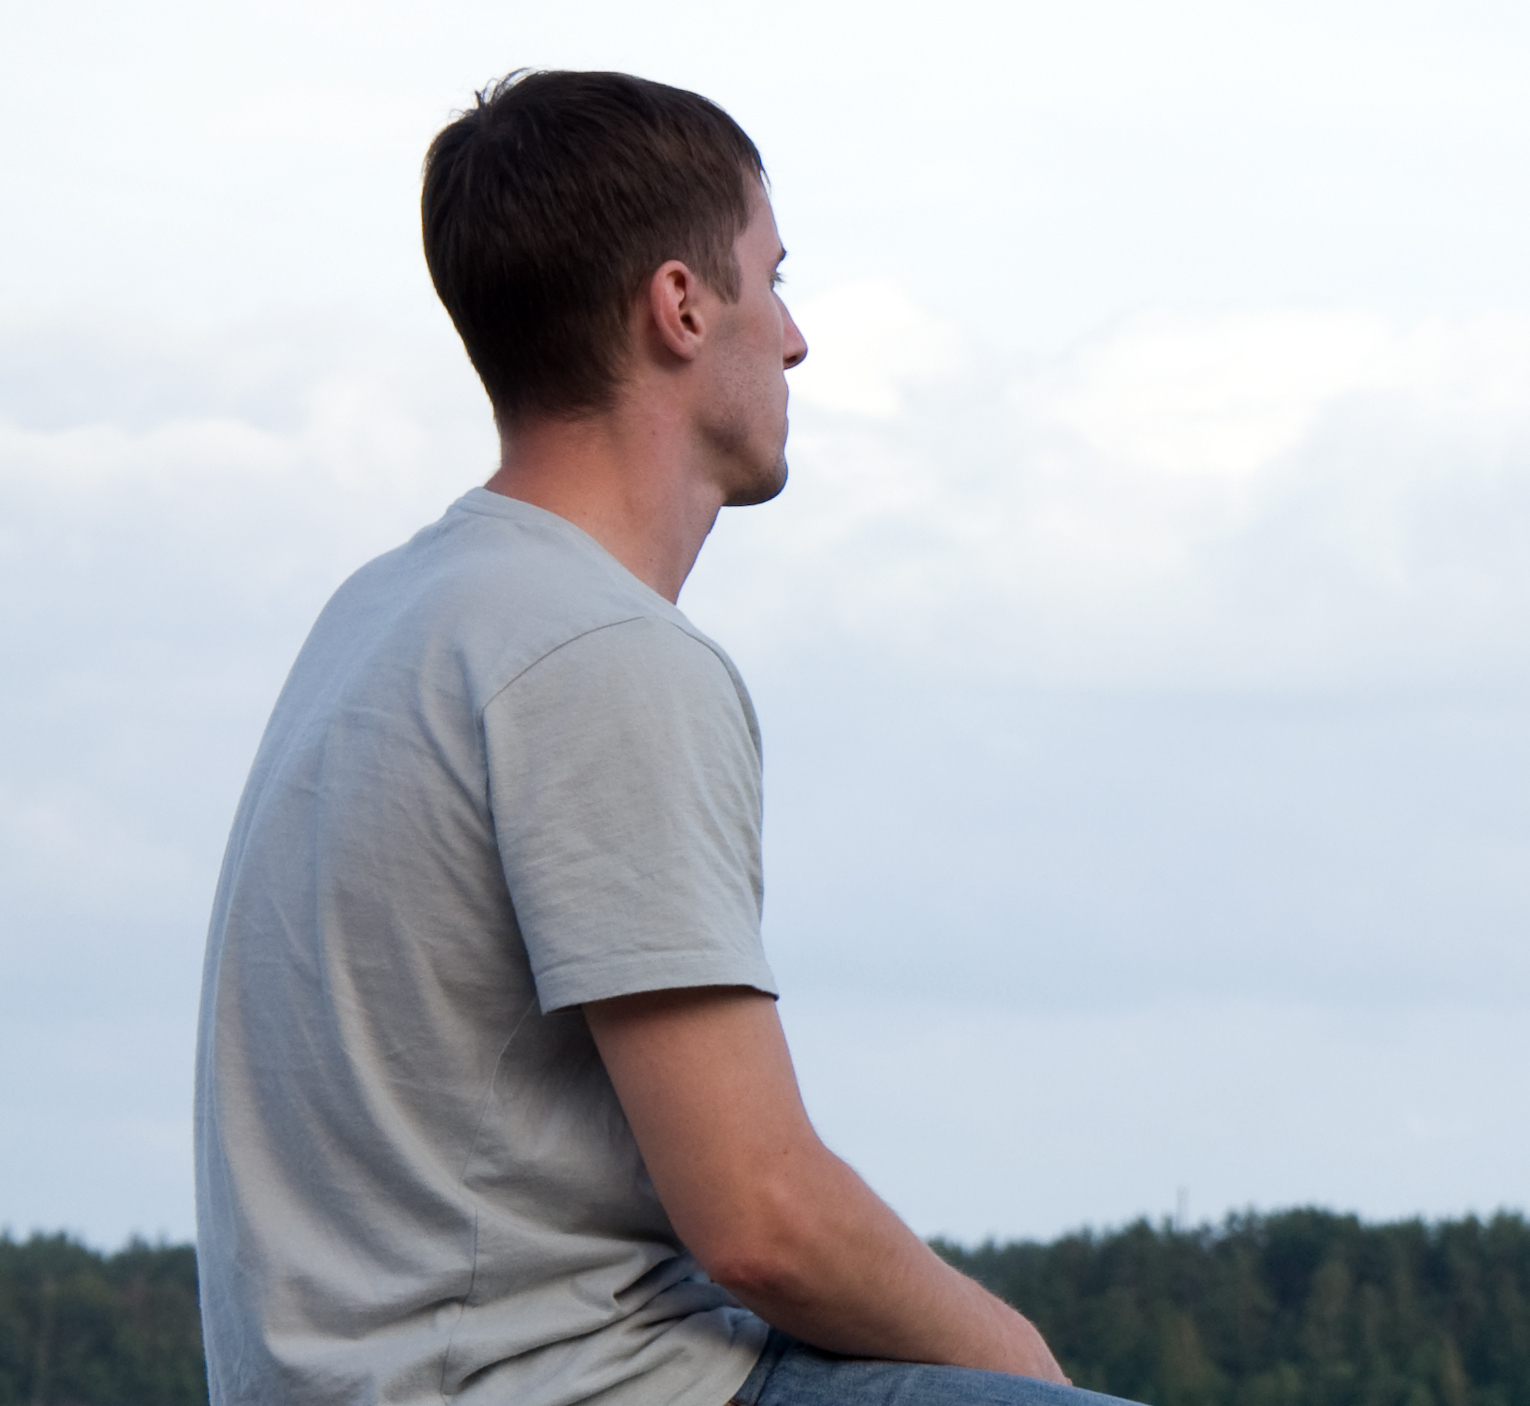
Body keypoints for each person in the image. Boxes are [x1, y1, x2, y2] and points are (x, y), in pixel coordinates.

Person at [195, 70, 1132, 1406]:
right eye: (774, 277)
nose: (797, 338)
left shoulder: (390, 615)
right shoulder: (594, 653)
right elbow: (761, 1213)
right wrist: (1029, 1371)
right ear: (682, 306)